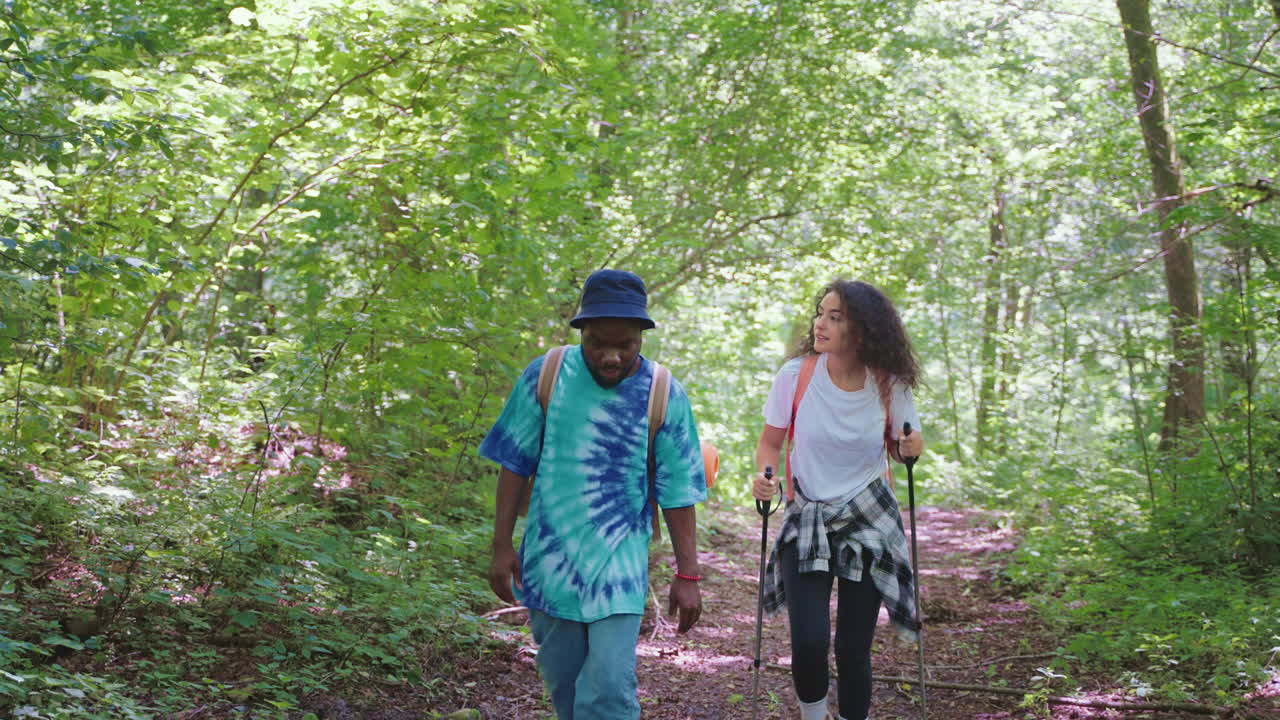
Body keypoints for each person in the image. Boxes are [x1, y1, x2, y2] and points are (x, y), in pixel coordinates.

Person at [480, 269, 707, 720]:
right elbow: (514, 463)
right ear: (581, 331)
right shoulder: (546, 375)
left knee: (608, 687)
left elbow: (678, 491)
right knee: (565, 686)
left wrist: (688, 574)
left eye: (625, 345)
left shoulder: (662, 392)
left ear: (642, 336)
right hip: (549, 561)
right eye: (598, 343)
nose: (611, 356)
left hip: (619, 566)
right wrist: (502, 544)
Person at [752, 279, 925, 720]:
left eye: (835, 317)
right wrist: (765, 478)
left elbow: (905, 443)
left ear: (862, 330)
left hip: (869, 518)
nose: (820, 323)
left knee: (852, 646)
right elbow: (771, 444)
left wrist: (910, 448)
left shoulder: (889, 383)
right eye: (820, 313)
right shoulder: (796, 376)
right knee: (808, 640)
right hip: (807, 514)